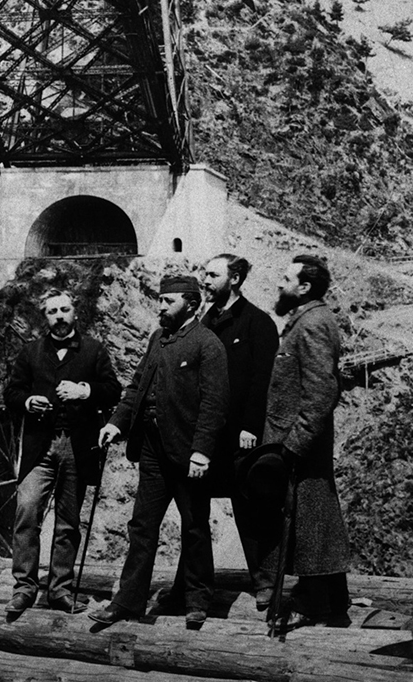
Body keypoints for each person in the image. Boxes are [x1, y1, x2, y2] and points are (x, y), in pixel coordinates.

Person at [89, 275, 230, 629]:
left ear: (192, 304)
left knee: (194, 526)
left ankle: (197, 601)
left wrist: (201, 452)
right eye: (160, 301)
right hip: (151, 449)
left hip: (187, 453)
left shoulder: (207, 345)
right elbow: (137, 385)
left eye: (168, 302)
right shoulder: (158, 338)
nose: (161, 307)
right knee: (142, 526)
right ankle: (129, 600)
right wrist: (116, 423)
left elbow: (215, 404)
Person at [163, 254, 279, 611]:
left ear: (236, 279)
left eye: (212, 274)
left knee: (251, 508)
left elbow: (264, 380)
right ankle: (191, 586)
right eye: (204, 273)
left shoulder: (258, 323)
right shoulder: (202, 324)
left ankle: (266, 583)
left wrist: (250, 427)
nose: (205, 279)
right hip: (206, 435)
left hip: (241, 436)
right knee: (194, 510)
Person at [4, 289, 121, 616]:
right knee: (26, 510)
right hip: (40, 446)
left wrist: (85, 391)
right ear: (45, 317)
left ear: (74, 313)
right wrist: (28, 401)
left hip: (77, 446)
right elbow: (11, 393)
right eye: (52, 311)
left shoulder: (93, 351)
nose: (58, 316)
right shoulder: (30, 353)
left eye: (64, 309)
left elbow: (113, 390)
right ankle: (24, 588)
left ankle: (59, 590)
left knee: (68, 522)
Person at [262, 254, 350, 629]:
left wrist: (293, 444)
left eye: (286, 278)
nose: (279, 284)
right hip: (301, 440)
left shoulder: (311, 324)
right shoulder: (307, 320)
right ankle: (332, 601)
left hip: (301, 444)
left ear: (304, 288)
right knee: (317, 520)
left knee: (311, 522)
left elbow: (320, 392)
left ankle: (311, 603)